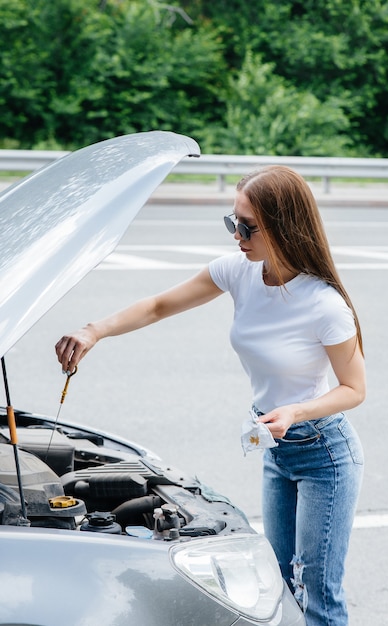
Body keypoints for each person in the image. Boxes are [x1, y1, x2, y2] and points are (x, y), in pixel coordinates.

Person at [55, 165, 365, 626]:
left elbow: (354, 390)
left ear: (282, 227)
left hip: (323, 452)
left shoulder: (324, 304)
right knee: (278, 583)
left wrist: (296, 411)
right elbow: (159, 305)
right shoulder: (240, 271)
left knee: (319, 593)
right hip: (276, 447)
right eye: (231, 221)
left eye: (246, 226)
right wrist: (94, 330)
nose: (235, 235)